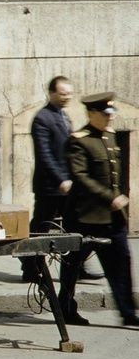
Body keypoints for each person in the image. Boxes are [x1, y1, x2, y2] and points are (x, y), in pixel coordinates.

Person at [57, 92, 139, 327]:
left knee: (121, 264)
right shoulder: (79, 140)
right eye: (105, 114)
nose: (110, 118)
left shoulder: (109, 136)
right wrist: (110, 198)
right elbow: (80, 177)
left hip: (112, 219)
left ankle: (127, 313)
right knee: (72, 268)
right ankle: (65, 308)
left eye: (112, 113)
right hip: (85, 218)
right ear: (92, 114)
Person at [21, 76, 74, 282]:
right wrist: (61, 179)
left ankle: (77, 264)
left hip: (68, 185)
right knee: (40, 229)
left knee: (74, 227)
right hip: (50, 186)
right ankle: (30, 266)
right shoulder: (43, 118)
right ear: (51, 93)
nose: (66, 97)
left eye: (69, 93)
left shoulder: (65, 117)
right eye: (62, 94)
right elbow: (45, 155)